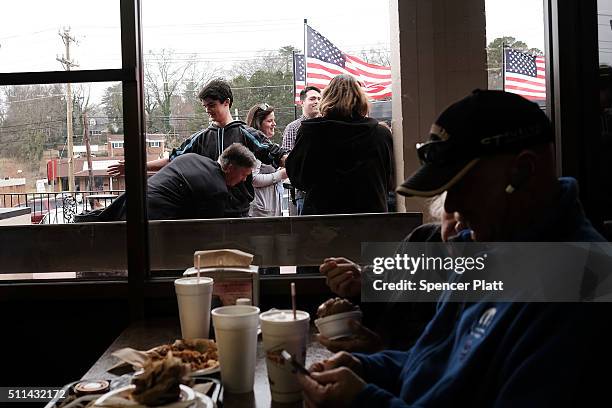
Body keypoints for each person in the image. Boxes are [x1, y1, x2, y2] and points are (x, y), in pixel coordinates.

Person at [298, 90, 612, 407]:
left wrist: (363, 402)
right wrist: (368, 367)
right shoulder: (486, 249)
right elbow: (437, 364)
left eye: (462, 186)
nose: (452, 205)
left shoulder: (585, 283)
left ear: (523, 171)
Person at [108, 78, 287, 218]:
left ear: (227, 102)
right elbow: (173, 159)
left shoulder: (246, 133)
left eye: (212, 105)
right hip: (205, 210)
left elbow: (273, 153)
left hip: (237, 210)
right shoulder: (200, 138)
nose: (208, 110)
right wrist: (138, 167)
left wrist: (294, 164)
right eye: (205, 106)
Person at [286, 75, 393, 215]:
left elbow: (298, 178)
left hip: (322, 219)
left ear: (327, 98)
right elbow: (389, 180)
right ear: (361, 99)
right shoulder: (380, 133)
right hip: (370, 216)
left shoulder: (310, 132)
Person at [98, 144, 255, 221]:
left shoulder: (193, 157)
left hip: (130, 205)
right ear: (230, 168)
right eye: (244, 174)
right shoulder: (217, 190)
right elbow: (208, 230)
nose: (244, 180)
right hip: (152, 221)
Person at [282, 85, 322, 215]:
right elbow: (286, 160)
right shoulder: (293, 128)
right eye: (312, 98)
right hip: (303, 193)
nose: (316, 101)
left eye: (319, 98)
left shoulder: (327, 125)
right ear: (302, 102)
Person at [245, 103, 287, 217]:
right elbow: (253, 179)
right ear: (258, 123)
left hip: (272, 210)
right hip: (260, 213)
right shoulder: (255, 148)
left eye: (274, 120)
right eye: (269, 121)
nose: (274, 124)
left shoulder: (270, 146)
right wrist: (281, 174)